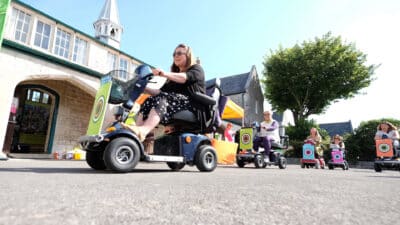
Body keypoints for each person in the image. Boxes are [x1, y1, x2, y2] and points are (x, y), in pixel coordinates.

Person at [121, 44, 205, 142]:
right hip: (176, 103)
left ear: (188, 56)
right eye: (174, 54)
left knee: (162, 98)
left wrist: (164, 73)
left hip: (193, 106)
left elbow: (185, 78)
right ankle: (136, 131)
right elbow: (159, 92)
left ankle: (144, 131)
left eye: (179, 53)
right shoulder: (173, 77)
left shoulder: (196, 69)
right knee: (149, 99)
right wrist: (143, 87)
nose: (176, 56)